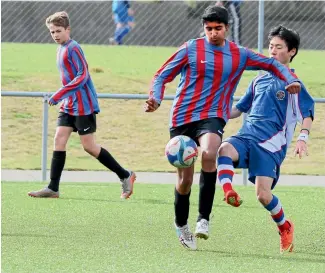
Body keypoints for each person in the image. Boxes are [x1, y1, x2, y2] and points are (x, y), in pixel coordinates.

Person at [144, 6, 301, 250]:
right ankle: (181, 225)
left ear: (226, 28)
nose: (213, 33)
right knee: (184, 180)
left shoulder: (239, 54)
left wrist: (291, 80)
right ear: (203, 28)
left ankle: (203, 219)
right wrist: (155, 97)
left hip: (213, 116)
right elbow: (161, 76)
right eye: (209, 29)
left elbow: (273, 65)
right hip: (182, 117)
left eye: (218, 28)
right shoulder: (190, 49)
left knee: (210, 152)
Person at [217, 25, 314, 253]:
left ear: (292, 52)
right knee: (223, 150)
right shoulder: (258, 80)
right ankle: (228, 191)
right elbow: (239, 109)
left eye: (278, 47)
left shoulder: (294, 83)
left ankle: (284, 226)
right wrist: (216, 112)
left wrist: (302, 138)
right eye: (271, 47)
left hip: (271, 146)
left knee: (262, 195)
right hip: (247, 136)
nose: (272, 51)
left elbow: (307, 114)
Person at [28, 11, 136, 199]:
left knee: (89, 146)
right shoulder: (59, 49)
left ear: (68, 29)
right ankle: (53, 188)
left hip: (83, 105)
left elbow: (82, 76)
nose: (55, 35)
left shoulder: (73, 47)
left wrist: (59, 94)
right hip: (69, 104)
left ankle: (125, 175)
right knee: (59, 139)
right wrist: (64, 96)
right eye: (52, 32)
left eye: (58, 31)